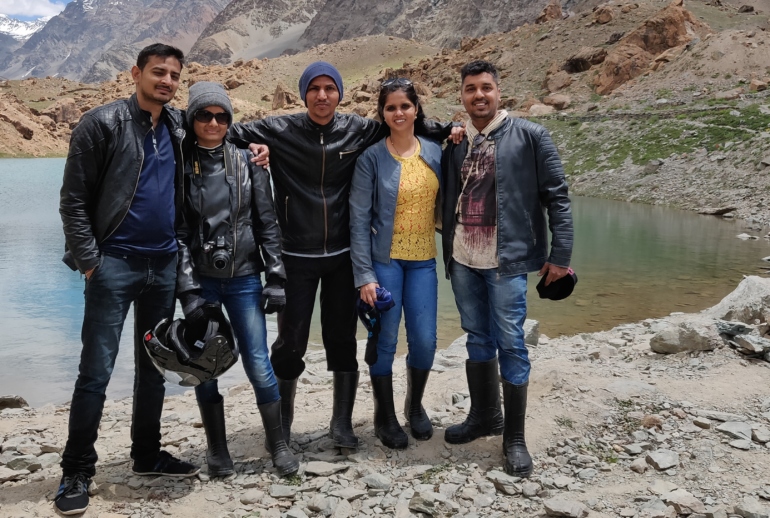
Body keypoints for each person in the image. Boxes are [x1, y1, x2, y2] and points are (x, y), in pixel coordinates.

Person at [228, 62, 461, 450]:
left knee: (341, 338)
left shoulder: (358, 129)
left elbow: (404, 121)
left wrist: (446, 129)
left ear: (340, 93)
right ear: (304, 94)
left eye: (329, 88)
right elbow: (223, 132)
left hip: (341, 255)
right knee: (290, 342)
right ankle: (282, 424)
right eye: (314, 88)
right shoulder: (279, 129)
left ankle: (342, 423)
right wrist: (252, 147)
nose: (322, 95)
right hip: (294, 254)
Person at [57, 43, 197, 516]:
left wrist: (259, 150)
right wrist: (91, 262)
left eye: (174, 75)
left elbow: (221, 134)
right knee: (96, 372)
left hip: (163, 265)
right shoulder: (102, 123)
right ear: (135, 73)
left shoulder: (177, 126)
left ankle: (147, 454)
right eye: (158, 72)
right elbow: (73, 201)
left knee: (154, 367)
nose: (167, 81)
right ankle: (77, 469)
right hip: (113, 265)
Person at [441, 60, 573, 477]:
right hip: (463, 258)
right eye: (470, 89)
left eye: (486, 87)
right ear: (462, 96)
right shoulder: (456, 141)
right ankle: (485, 417)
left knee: (512, 342)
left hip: (507, 262)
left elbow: (557, 197)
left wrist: (561, 255)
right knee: (477, 337)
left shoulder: (531, 135)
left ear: (499, 92)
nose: (478, 95)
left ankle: (514, 438)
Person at [176, 82, 299, 477]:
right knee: (203, 365)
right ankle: (217, 451)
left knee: (258, 361)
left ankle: (278, 443)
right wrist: (188, 290)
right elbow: (178, 232)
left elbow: (268, 223)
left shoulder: (249, 161)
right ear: (192, 119)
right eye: (204, 115)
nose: (213, 122)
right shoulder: (179, 163)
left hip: (245, 277)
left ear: (230, 120)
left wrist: (276, 277)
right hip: (202, 282)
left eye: (221, 116)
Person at [349, 79, 440, 449]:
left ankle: (414, 406)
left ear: (416, 109)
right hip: (384, 262)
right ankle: (384, 416)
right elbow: (358, 220)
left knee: (425, 340)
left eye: (405, 106)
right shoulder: (371, 158)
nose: (399, 113)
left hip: (424, 262)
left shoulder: (435, 152)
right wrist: (364, 276)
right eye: (391, 108)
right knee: (385, 338)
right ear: (383, 114)